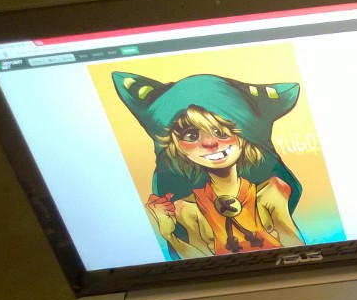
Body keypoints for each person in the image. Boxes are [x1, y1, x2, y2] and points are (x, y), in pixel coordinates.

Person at [112, 72, 307, 258]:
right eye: (191, 135)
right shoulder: (186, 208)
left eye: (221, 132)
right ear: (177, 147)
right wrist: (168, 234)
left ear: (244, 135)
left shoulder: (272, 192)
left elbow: (297, 251)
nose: (209, 143)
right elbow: (199, 264)